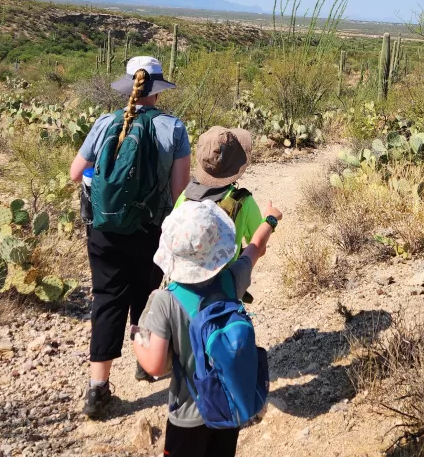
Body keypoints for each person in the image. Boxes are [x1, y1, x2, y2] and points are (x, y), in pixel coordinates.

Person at [69, 55, 191, 419]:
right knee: (146, 296)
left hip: (103, 229)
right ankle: (145, 363)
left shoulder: (106, 121)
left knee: (107, 300)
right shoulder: (174, 128)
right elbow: (180, 192)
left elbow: (77, 173)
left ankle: (97, 389)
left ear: (128, 86)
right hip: (150, 229)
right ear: (156, 91)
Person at [132, 198, 282, 457]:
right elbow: (255, 248)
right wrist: (270, 219)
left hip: (188, 415)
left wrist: (136, 339)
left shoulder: (165, 300)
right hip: (228, 404)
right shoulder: (231, 280)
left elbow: (156, 366)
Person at [173, 126, 264, 262]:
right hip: (225, 280)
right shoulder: (243, 201)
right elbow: (259, 247)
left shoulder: (186, 196)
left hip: (184, 279)